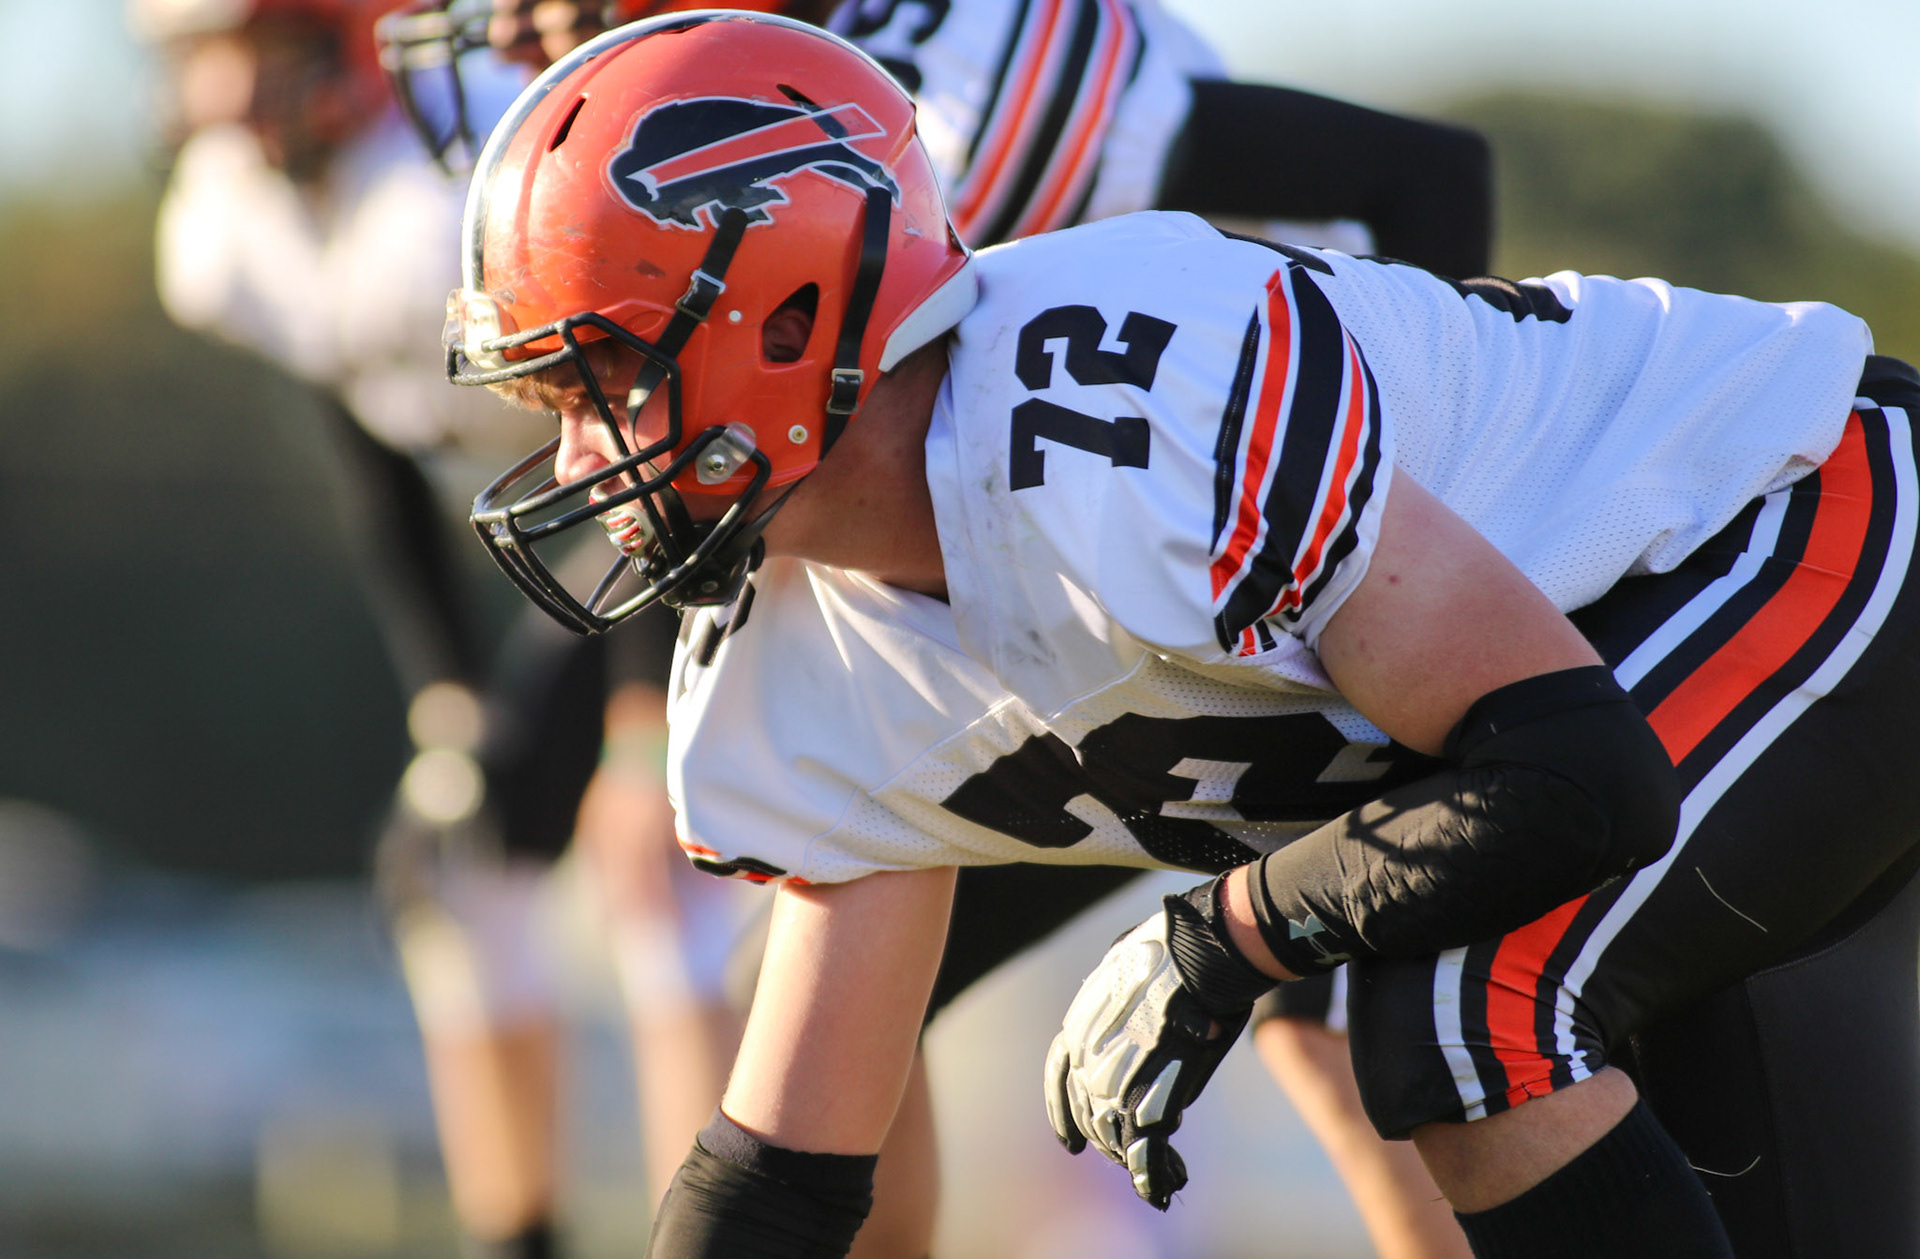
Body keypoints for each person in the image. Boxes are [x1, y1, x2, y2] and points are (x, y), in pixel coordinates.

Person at [447, 14, 1920, 1259]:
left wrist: (1221, 937)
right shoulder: (792, 650)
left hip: (1810, 512)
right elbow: (786, 1161)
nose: (583, 461)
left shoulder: (1113, 401)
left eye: (609, 376)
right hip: (1623, 698)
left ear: (784, 309)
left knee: (1461, 1017)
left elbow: (1578, 772)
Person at [393, 1, 1491, 1253]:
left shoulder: (943, 95)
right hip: (1071, 608)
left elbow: (1427, 175)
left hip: (1282, 581)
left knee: (1360, 1015)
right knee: (814, 1016)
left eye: (564, 3)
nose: (513, 35)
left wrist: (1418, 560)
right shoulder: (744, 149)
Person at [132, 4, 754, 1257]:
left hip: (703, 487)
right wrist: (450, 708)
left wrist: (640, 736)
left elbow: (660, 422)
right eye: (196, 55)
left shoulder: (453, 183)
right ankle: (513, 1235)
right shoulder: (229, 221)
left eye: (240, 46)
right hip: (582, 507)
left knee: (663, 866)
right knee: (455, 865)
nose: (215, 93)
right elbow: (371, 447)